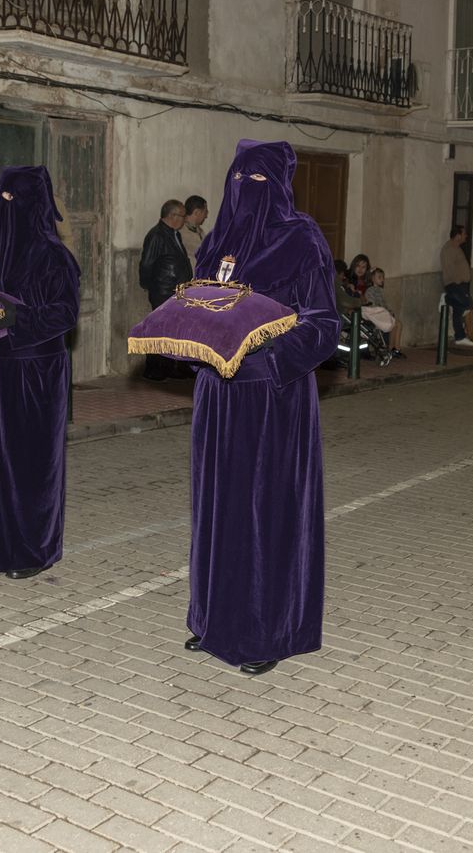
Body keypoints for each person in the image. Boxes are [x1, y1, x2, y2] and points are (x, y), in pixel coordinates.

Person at [183, 140, 339, 677]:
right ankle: (211, 619)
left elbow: (324, 325)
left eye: (259, 182)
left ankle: (267, 629)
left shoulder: (302, 240)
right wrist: (189, 342)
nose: (246, 192)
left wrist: (268, 351)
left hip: (272, 399)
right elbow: (198, 309)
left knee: (264, 512)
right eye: (239, 179)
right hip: (218, 398)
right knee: (216, 509)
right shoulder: (215, 244)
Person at [0, 166, 80, 579]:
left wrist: (16, 317)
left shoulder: (53, 257)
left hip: (32, 373)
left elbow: (64, 314)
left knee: (28, 464)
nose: (5, 207)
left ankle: (33, 549)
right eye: (1, 199)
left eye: (14, 200)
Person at [138, 199, 193, 380]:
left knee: (176, 329)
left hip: (177, 290)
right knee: (160, 329)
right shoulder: (157, 235)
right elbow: (146, 264)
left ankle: (173, 366)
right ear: (172, 216)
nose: (184, 220)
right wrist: (152, 286)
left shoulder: (174, 234)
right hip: (163, 290)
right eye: (183, 216)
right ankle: (155, 369)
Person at [441, 226, 473, 348]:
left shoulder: (457, 248)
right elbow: (449, 268)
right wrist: (457, 281)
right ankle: (448, 299)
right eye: (464, 234)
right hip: (455, 285)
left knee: (458, 311)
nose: (466, 236)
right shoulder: (449, 249)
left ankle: (460, 337)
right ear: (458, 236)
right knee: (467, 304)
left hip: (460, 285)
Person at [362, 267, 404, 355]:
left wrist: (389, 311)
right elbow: (372, 305)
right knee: (396, 324)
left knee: (397, 324)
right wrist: (385, 311)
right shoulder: (370, 291)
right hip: (376, 316)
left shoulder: (380, 291)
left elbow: (384, 304)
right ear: (373, 278)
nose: (382, 279)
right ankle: (392, 348)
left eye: (383, 277)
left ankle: (395, 348)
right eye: (379, 277)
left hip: (383, 314)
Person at [183, 194, 210, 262]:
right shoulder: (180, 232)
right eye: (205, 212)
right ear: (196, 212)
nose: (206, 216)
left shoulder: (200, 231)